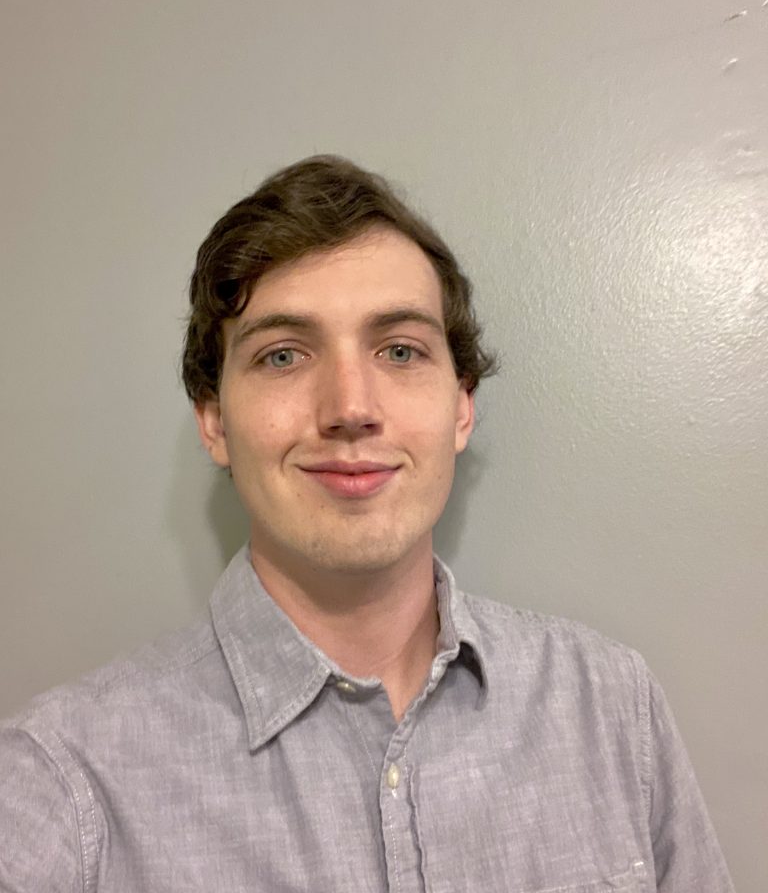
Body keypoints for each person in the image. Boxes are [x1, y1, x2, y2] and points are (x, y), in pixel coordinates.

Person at [0, 156, 733, 892]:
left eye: (400, 350)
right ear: (214, 420)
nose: (351, 406)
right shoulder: (63, 785)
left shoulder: (610, 707)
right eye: (283, 355)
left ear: (461, 406)